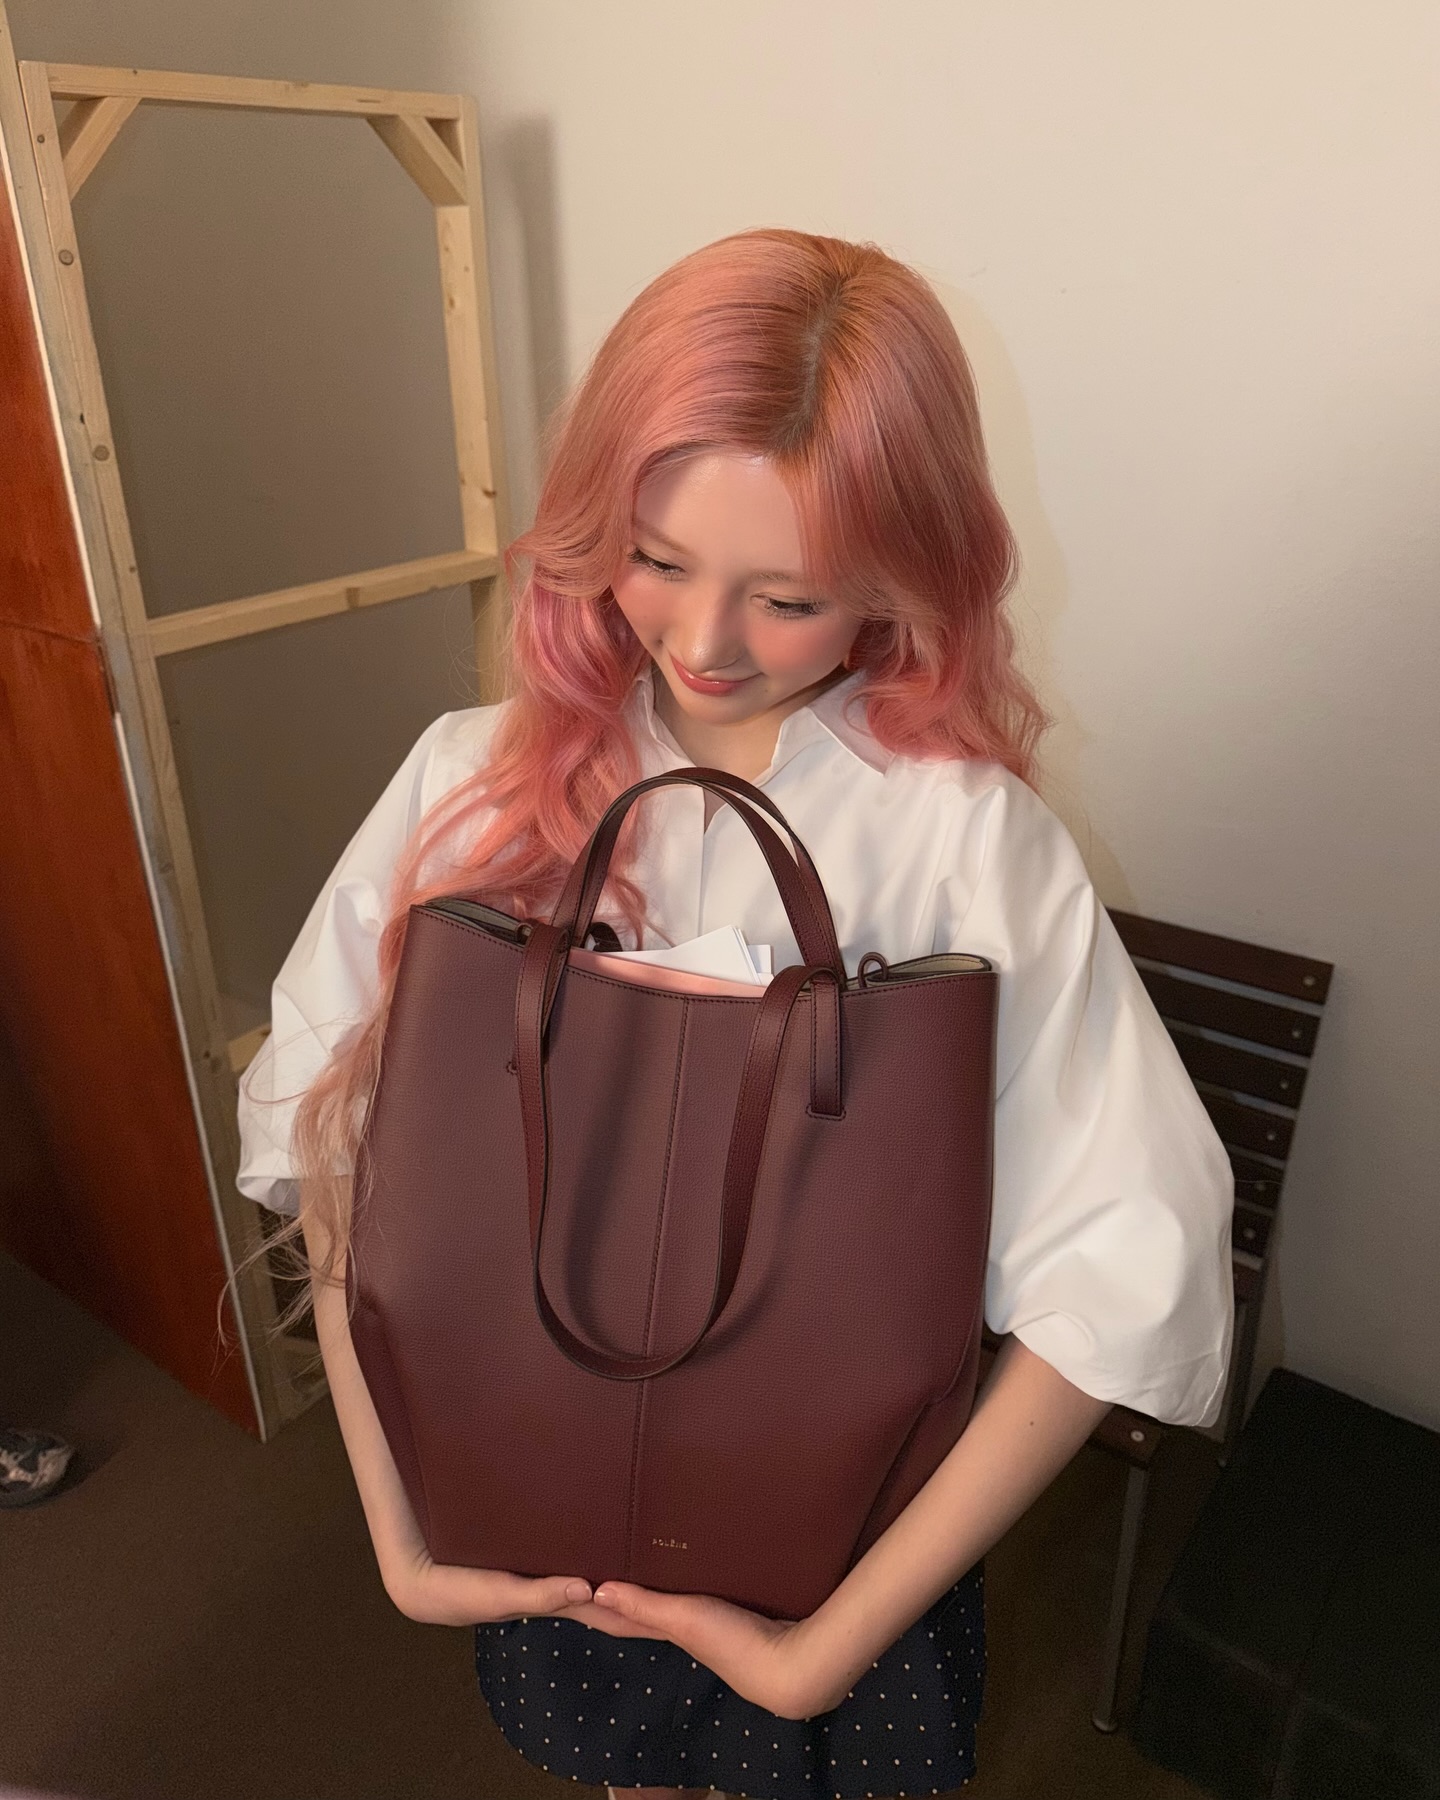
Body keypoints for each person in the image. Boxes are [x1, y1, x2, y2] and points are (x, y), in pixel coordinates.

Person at [235, 228, 1234, 1800]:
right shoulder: (466, 780)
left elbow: (1126, 1275)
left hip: (835, 1554)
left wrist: (820, 1654)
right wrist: (398, 1527)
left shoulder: (959, 844)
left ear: (899, 579)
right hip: (535, 1492)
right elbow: (336, 1141)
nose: (703, 646)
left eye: (788, 597)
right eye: (657, 559)